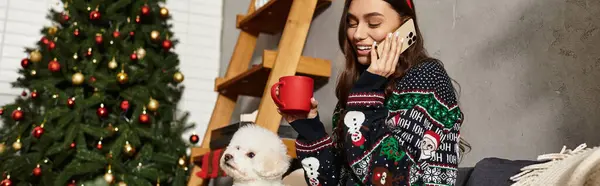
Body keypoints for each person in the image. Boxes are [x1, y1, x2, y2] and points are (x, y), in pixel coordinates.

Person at [276, 0, 469, 185]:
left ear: (405, 27)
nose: (358, 34)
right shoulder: (362, 88)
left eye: (374, 23)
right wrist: (311, 130)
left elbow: (389, 178)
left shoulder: (427, 76)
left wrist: (367, 90)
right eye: (351, 23)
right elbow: (336, 180)